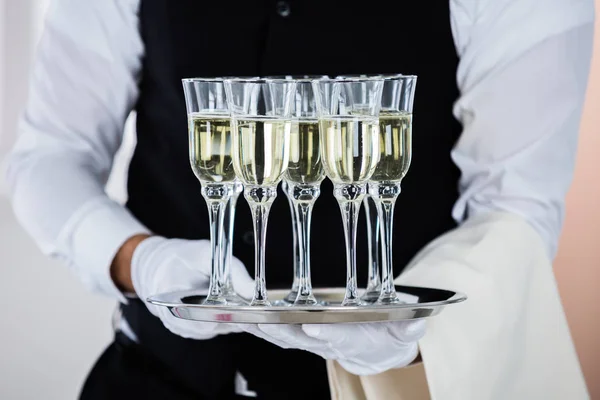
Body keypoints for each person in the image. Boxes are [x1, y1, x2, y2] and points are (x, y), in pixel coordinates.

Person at [4, 0, 594, 399]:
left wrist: (411, 330)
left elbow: (515, 212)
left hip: (382, 394)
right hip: (151, 380)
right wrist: (139, 259)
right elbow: (50, 156)